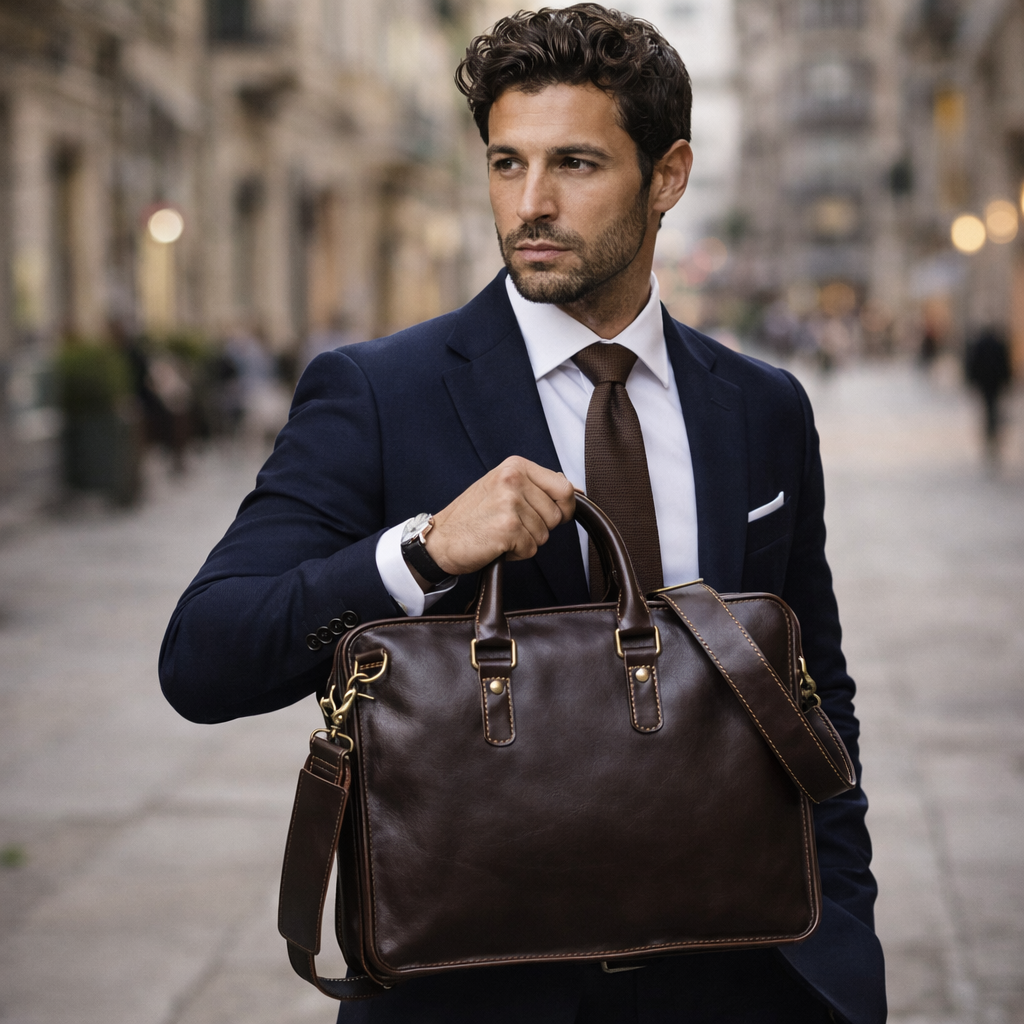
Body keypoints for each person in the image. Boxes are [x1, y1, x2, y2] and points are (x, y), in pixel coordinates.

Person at [159, 6, 883, 1022]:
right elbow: (203, 657)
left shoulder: (760, 406)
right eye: (507, 163)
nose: (530, 203)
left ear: (666, 175)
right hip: (474, 987)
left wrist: (841, 932)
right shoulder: (375, 393)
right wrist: (421, 551)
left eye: (575, 164)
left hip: (739, 975)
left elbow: (816, 681)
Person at [964, 325, 1013, 461]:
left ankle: (990, 431)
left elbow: (973, 364)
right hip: (995, 383)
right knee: (993, 407)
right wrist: (1007, 381)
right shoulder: (999, 345)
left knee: (989, 407)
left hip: (985, 383)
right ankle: (992, 430)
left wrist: (971, 380)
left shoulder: (979, 345)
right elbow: (1005, 364)